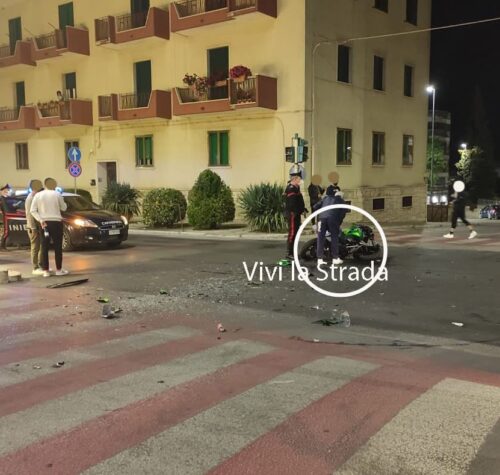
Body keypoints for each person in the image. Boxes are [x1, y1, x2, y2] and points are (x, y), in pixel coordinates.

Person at [30, 178, 68, 277]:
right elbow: (64, 208)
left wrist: (40, 220)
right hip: (56, 223)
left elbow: (32, 210)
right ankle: (59, 270)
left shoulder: (38, 195)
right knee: (58, 247)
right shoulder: (57, 194)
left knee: (44, 247)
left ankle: (46, 271)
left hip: (44, 223)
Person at [314, 189, 347, 265]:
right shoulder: (340, 199)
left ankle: (319, 259)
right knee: (334, 237)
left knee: (320, 238)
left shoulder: (325, 198)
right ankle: (335, 258)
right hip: (333, 219)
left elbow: (315, 207)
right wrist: (338, 222)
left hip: (321, 219)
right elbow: (343, 212)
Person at [285, 172, 306, 259]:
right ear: (294, 179)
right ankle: (289, 253)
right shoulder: (291, 188)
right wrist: (296, 211)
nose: (300, 180)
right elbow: (291, 203)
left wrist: (303, 209)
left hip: (297, 213)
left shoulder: (297, 187)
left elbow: (299, 200)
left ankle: (293, 252)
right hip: (292, 214)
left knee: (296, 233)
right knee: (292, 233)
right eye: (299, 179)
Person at [25, 179, 44, 275]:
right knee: (35, 247)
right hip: (33, 227)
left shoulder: (36, 196)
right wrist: (33, 228)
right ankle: (35, 267)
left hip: (38, 226)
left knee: (42, 246)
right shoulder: (30, 198)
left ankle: (41, 265)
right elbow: (29, 214)